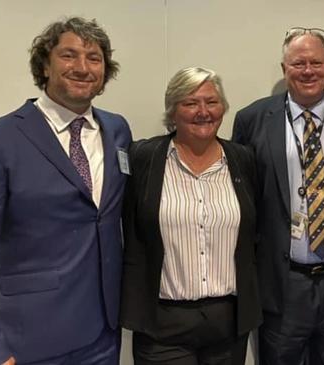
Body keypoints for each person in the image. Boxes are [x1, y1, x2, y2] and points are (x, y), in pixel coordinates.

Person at [0, 17, 131, 365]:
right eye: (69, 55)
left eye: (94, 57)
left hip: (102, 334)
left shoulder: (117, 130)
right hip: (29, 341)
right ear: (45, 64)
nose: (83, 67)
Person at [232, 27, 324, 364]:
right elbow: (243, 200)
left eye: (316, 62)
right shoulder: (252, 118)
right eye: (298, 63)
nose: (308, 70)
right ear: (284, 70)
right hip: (282, 284)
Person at [120, 67, 261, 365]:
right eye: (190, 103)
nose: (203, 112)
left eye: (211, 102)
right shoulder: (143, 158)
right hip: (163, 322)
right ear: (172, 111)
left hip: (228, 322)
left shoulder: (243, 160)